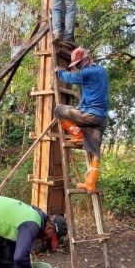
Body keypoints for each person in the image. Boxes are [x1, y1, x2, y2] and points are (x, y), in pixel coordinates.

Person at [54, 46, 109, 191]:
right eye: (76, 65)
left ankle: (77, 134)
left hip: (90, 115)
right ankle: (90, 183)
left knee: (59, 110)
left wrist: (59, 72)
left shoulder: (88, 72)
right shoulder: (101, 71)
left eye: (78, 64)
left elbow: (70, 77)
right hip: (101, 118)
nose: (77, 67)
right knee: (94, 152)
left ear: (85, 59)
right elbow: (90, 93)